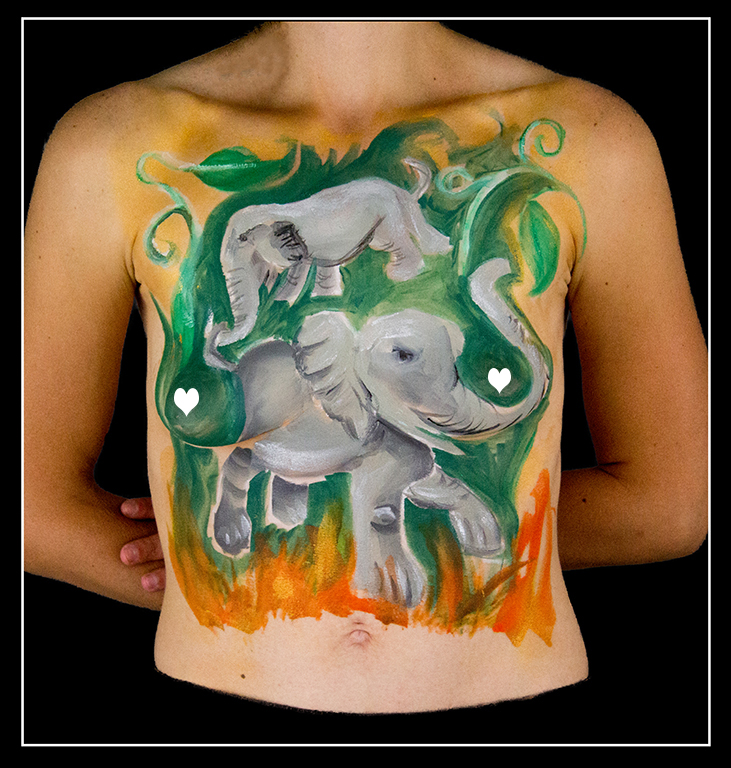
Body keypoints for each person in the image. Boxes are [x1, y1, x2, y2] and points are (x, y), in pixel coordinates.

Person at [24, 20, 707, 720]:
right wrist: (208, 551)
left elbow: (667, 507)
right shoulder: (113, 144)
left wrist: (477, 527)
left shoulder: (593, 138)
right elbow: (33, 507)